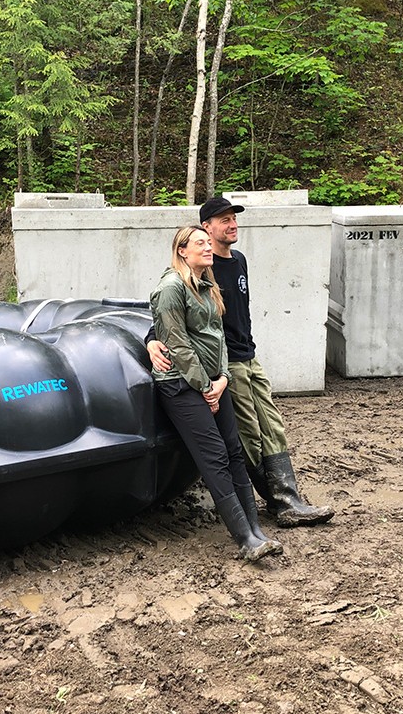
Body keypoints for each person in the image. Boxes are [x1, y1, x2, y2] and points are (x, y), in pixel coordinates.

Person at [147, 197, 334, 528]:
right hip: (225, 365)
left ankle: (288, 499)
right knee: (248, 436)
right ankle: (276, 502)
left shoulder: (239, 261)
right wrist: (151, 342)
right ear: (206, 228)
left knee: (273, 425)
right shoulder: (199, 268)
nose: (231, 225)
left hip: (249, 356)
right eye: (223, 221)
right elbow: (169, 319)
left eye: (233, 219)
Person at [150, 225, 283, 562]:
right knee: (215, 459)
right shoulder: (171, 288)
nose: (208, 247)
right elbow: (177, 343)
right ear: (182, 250)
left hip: (214, 382)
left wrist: (222, 377)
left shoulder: (207, 286)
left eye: (208, 243)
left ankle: (256, 531)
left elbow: (218, 337)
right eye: (200, 243)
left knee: (234, 451)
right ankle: (245, 539)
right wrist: (205, 386)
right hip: (181, 385)